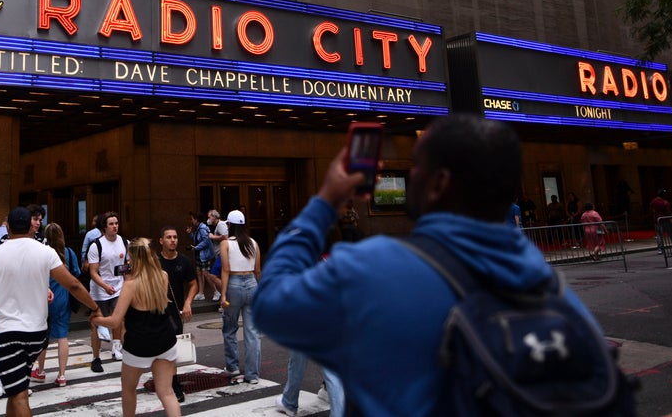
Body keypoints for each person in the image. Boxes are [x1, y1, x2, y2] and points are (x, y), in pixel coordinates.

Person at [252, 114, 608, 416]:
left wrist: (327, 200)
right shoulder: (553, 290)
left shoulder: (377, 268)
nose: (412, 175)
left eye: (418, 165)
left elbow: (270, 305)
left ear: (439, 182)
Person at [0, 207, 99, 417]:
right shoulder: (46, 252)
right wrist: (94, 307)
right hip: (38, 334)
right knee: (16, 389)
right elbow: (73, 285)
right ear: (31, 226)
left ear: (8, 227)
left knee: (19, 395)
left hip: (8, 334)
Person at [91, 238, 181, 417]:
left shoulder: (130, 285)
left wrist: (97, 320)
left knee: (129, 389)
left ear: (133, 260)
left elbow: (116, 321)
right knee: (167, 392)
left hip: (139, 344)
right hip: (165, 340)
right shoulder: (163, 276)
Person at [31, 223, 80, 386]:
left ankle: (41, 370)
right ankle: (62, 375)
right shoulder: (69, 253)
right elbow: (76, 274)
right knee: (62, 336)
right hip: (62, 298)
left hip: (44, 297)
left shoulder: (41, 253)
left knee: (43, 336)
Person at [219, 209, 261, 384]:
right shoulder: (253, 243)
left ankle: (233, 367)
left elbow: (226, 270)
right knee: (252, 332)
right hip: (252, 283)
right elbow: (258, 271)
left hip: (234, 284)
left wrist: (222, 294)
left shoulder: (226, 243)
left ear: (229, 225)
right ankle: (253, 374)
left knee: (230, 328)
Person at [157, 225, 198, 403]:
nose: (173, 240)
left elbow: (194, 284)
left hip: (175, 312)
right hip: (156, 311)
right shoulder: (155, 262)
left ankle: (174, 384)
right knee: (158, 349)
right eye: (169, 237)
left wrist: (188, 302)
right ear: (161, 241)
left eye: (175, 237)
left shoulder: (184, 261)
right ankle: (162, 380)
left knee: (173, 349)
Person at [88, 211, 127, 373]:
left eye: (116, 223)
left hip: (118, 288)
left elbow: (128, 265)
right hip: (100, 291)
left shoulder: (125, 242)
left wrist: (127, 278)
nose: (115, 226)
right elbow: (93, 272)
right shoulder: (96, 245)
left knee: (119, 320)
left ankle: (116, 348)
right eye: (111, 224)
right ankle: (96, 358)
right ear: (104, 228)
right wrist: (105, 286)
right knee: (97, 323)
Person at [186, 212, 215, 301]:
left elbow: (206, 241)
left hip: (204, 255)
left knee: (206, 274)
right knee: (199, 273)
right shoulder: (198, 228)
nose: (191, 221)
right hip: (200, 254)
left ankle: (216, 291)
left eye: (192, 219)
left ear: (196, 219)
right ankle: (201, 293)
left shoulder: (202, 228)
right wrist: (190, 234)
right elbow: (197, 240)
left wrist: (195, 248)